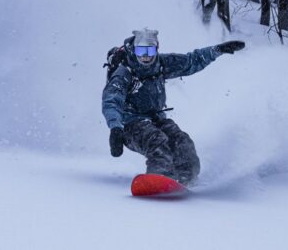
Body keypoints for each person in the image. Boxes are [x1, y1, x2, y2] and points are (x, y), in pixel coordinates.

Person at [102, 28, 245, 185]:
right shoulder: (125, 72)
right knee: (157, 140)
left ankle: (187, 178)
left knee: (182, 141)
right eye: (141, 50)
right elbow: (111, 100)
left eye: (150, 50)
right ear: (134, 49)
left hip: (155, 119)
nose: (145, 55)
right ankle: (159, 179)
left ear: (156, 48)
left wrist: (218, 50)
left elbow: (192, 61)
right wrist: (115, 128)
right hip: (129, 125)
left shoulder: (161, 63)